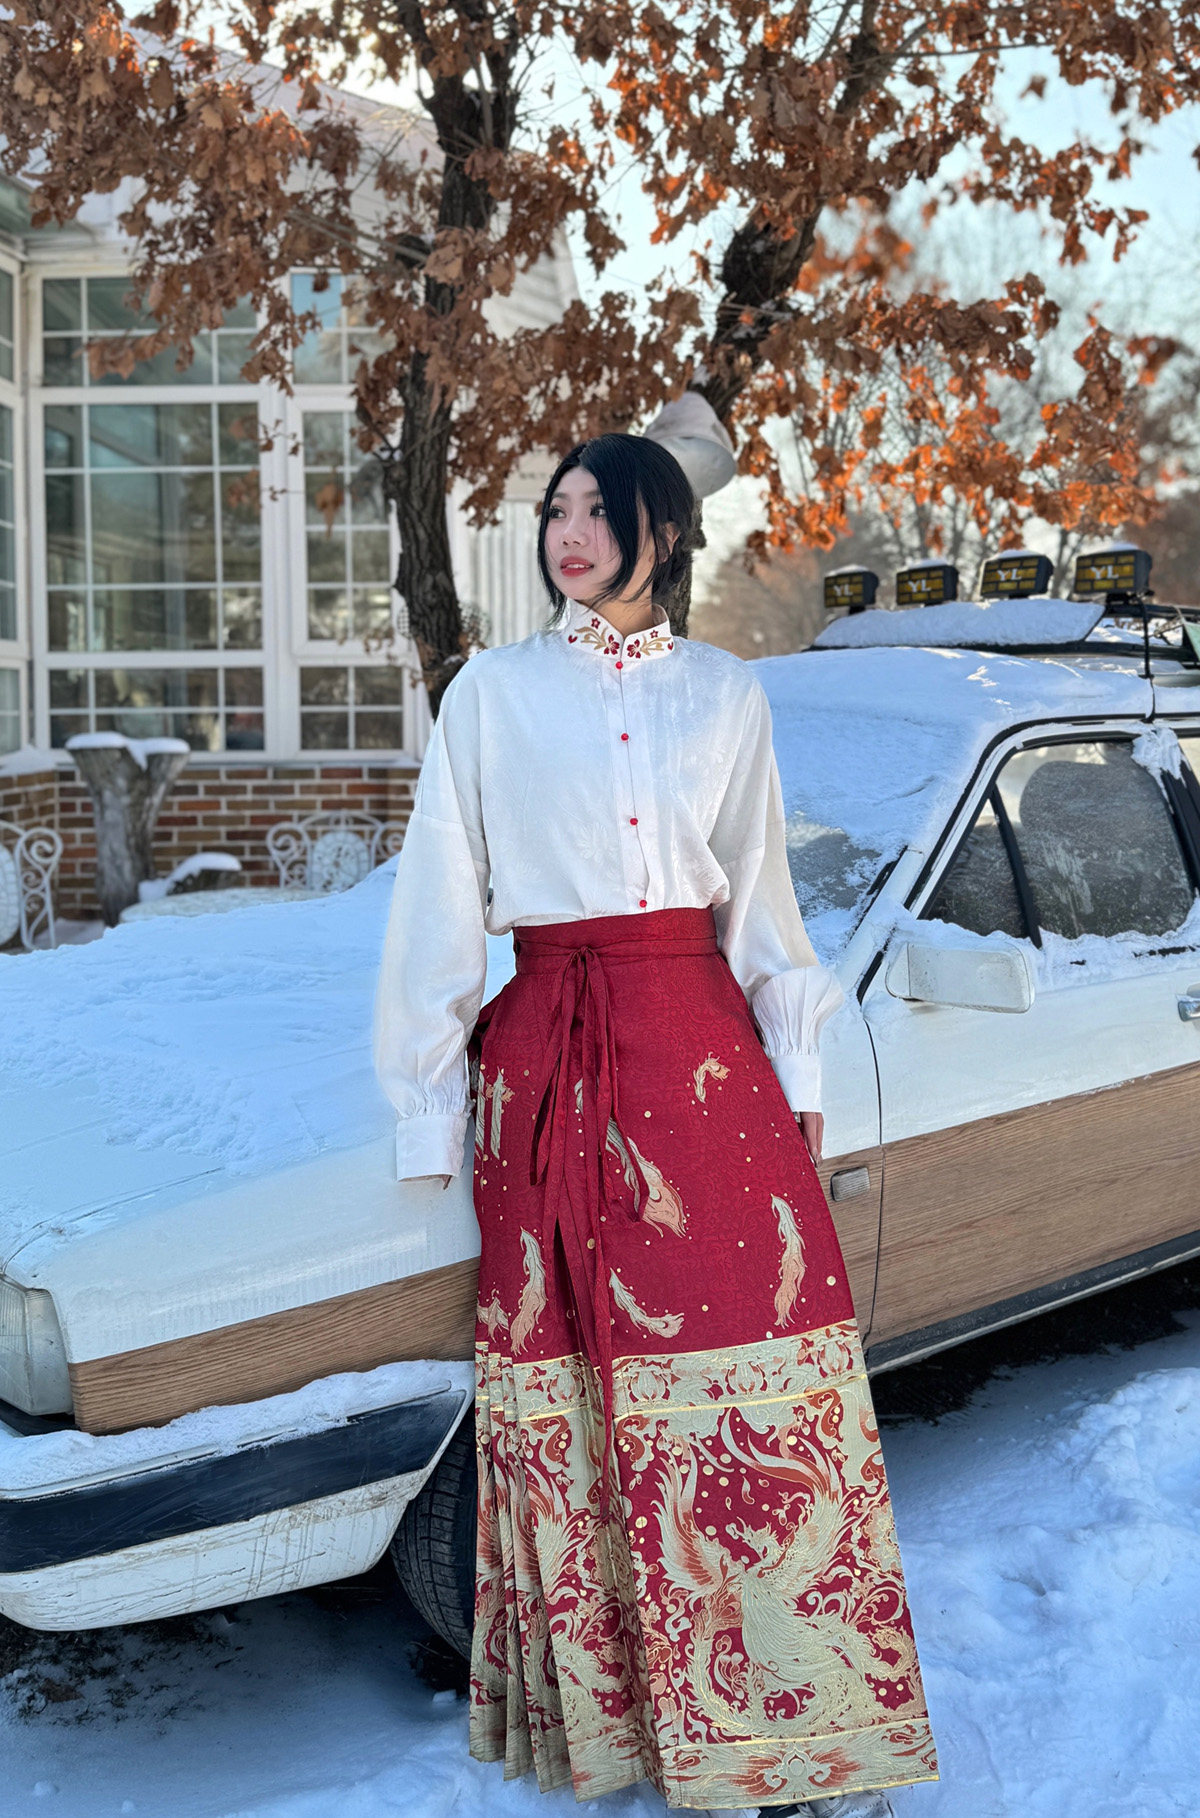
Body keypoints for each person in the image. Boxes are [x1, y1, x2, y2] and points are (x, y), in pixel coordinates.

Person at [373, 434, 938, 1816]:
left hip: (701, 1054)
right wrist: (425, 1110)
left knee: (757, 1375)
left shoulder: (727, 693)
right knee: (579, 1384)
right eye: (555, 508)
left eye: (599, 509)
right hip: (547, 1060)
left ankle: (790, 1722)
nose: (568, 532)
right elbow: (438, 899)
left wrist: (797, 1072)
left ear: (664, 533)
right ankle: (623, 1726)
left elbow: (760, 901)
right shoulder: (492, 694)